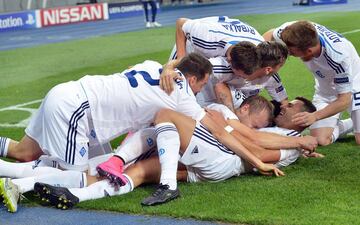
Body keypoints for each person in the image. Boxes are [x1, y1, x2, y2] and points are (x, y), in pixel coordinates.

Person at [30, 96, 319, 209]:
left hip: (220, 159)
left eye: (293, 106)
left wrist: (301, 142)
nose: (286, 106)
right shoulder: (281, 135)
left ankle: (147, 175)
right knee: (141, 172)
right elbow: (252, 138)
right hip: (212, 161)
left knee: (165, 113)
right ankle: (63, 192)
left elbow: (258, 146)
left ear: (301, 117)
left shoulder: (290, 140)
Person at [0, 53, 213, 170]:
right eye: (202, 85)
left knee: (23, 152)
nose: (201, 91)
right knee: (76, 176)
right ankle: (9, 175)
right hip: (77, 109)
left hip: (68, 92)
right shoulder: (183, 95)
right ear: (192, 78)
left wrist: (169, 65)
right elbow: (215, 130)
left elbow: (179, 61)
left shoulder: (152, 64)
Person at [263, 20, 360, 147]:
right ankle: (356, 122)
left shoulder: (338, 57)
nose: (288, 53)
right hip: (326, 89)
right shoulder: (293, 31)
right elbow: (270, 34)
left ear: (308, 51)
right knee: (321, 139)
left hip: (355, 86)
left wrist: (315, 116)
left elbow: (344, 100)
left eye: (292, 51)